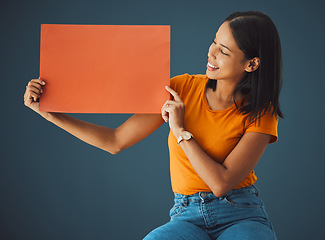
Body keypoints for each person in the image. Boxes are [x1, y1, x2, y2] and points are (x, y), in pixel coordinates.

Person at [24, 10, 283, 240]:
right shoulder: (180, 88)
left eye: (224, 51)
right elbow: (115, 141)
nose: (211, 52)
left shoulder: (262, 111)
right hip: (186, 214)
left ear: (252, 64)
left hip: (240, 212)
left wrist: (181, 132)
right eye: (214, 41)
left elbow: (221, 183)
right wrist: (49, 113)